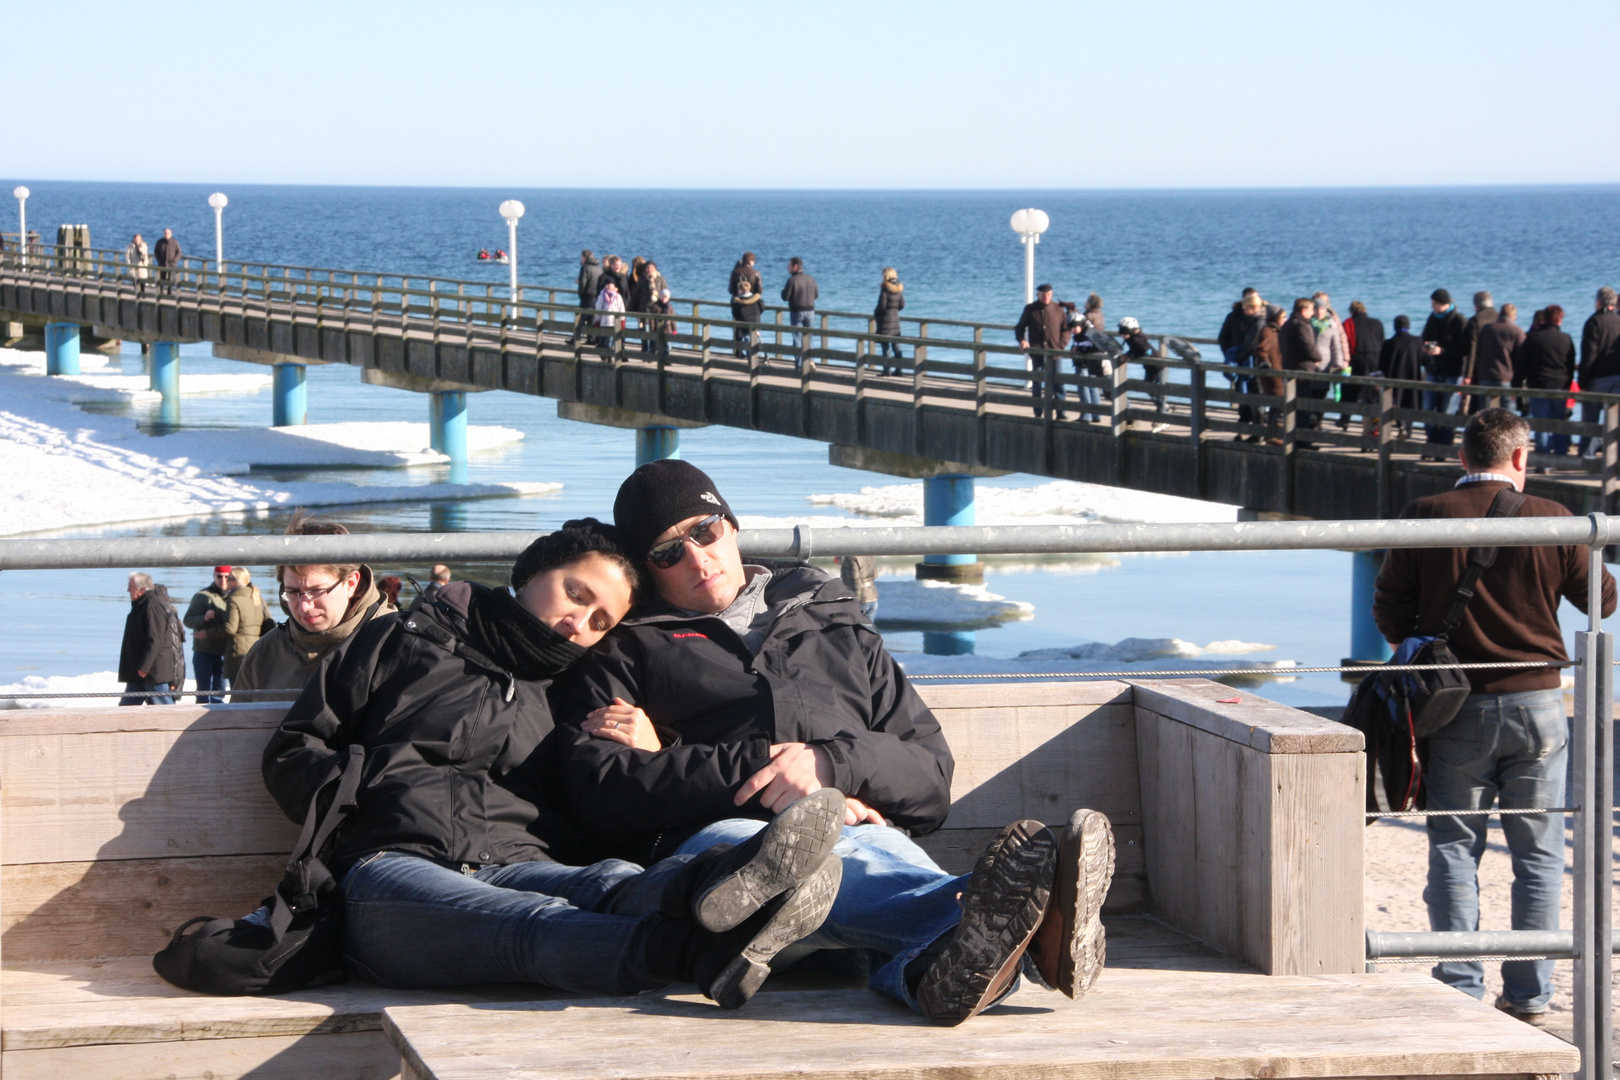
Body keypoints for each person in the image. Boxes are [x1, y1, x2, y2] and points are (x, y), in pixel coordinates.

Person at [556, 460, 1118, 1025]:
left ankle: (945, 964)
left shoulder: (828, 614)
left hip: (862, 832)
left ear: (730, 524)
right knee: (812, 860)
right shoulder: (623, 646)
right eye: (666, 552)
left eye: (704, 531)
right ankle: (1012, 918)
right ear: (649, 570)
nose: (698, 559)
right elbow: (598, 793)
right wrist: (773, 779)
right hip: (720, 855)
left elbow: (929, 782)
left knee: (874, 856)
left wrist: (833, 765)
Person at [261, 520, 841, 1007]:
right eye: (577, 595)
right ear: (536, 570)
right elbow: (295, 748)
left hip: (516, 863)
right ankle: (701, 953)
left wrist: (653, 747)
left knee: (607, 882)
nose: (578, 623)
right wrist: (365, 792)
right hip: (389, 870)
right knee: (530, 920)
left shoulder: (574, 689)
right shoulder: (405, 638)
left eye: (600, 623)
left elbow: (601, 800)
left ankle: (738, 878)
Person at [1373, 408, 1616, 1027]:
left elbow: (1390, 613)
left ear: (1461, 458)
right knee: (1537, 853)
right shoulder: (1552, 519)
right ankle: (1530, 995)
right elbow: (1603, 602)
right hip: (1538, 705)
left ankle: (1459, 988)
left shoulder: (1426, 515)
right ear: (1521, 458)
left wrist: (1430, 639)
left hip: (1455, 706)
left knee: (1454, 846)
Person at [233, 510, 397, 700]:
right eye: (293, 592)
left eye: (317, 591)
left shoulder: (395, 646)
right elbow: (233, 724)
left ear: (350, 584)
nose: (304, 606)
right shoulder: (265, 653)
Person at [1514, 305, 1575, 459]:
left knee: (1541, 424)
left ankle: (1543, 460)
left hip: (1538, 385)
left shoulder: (1533, 338)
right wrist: (1568, 384)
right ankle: (1561, 455)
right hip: (1559, 386)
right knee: (1559, 422)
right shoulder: (1566, 339)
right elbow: (1570, 364)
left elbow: (1521, 364)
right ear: (1559, 319)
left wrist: (1516, 385)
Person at [119, 572, 182, 706]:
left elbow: (155, 639)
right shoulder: (141, 605)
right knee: (126, 708)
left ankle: (176, 726)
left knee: (164, 706)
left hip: (152, 672)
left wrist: (145, 666)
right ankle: (121, 727)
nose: (128, 590)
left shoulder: (152, 606)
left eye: (130, 586)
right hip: (139, 672)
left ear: (141, 589)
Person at [1421, 288, 1470, 457]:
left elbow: (1464, 349)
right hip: (1434, 369)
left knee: (1448, 410)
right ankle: (1431, 444)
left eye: (1435, 303)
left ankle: (1444, 447)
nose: (1432, 307)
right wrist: (1427, 347)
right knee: (1428, 408)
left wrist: (1442, 351)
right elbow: (1424, 337)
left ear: (1444, 304)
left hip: (1453, 371)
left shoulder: (1459, 320)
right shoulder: (1432, 319)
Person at [1015, 284, 1071, 419]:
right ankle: (1038, 412)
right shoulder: (1030, 309)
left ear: (1052, 294)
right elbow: (1019, 327)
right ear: (1038, 295)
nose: (1046, 297)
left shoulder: (1058, 309)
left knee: (1058, 382)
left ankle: (1061, 412)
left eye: (1049, 294)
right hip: (1037, 351)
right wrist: (1022, 340)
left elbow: (1066, 329)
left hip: (1055, 351)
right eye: (1043, 294)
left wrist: (1061, 345)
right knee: (1037, 382)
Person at [1577, 286, 1620, 458]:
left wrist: (1583, 382)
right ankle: (1615, 458)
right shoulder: (1618, 320)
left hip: (1598, 378)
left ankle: (1588, 455)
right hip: (1618, 376)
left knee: (1591, 419)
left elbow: (1589, 355)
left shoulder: (1594, 321)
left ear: (1598, 302)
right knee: (1616, 420)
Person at [1218, 292, 1267, 437]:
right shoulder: (1234, 317)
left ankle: (1257, 432)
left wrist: (1238, 356)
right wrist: (1231, 356)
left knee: (1256, 397)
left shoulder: (1258, 320)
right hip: (1242, 362)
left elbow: (1253, 345)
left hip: (1253, 363)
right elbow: (1223, 338)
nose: (1245, 310)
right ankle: (1245, 431)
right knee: (1245, 397)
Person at [183, 567, 235, 703]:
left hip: (225, 652)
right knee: (203, 692)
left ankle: (218, 719)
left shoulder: (235, 596)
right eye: (219, 576)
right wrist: (203, 618)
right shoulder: (202, 596)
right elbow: (187, 620)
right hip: (204, 651)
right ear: (214, 576)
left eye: (226, 577)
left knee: (220, 691)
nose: (223, 580)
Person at [1279, 298, 1322, 445]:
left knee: (1292, 407)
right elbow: (1308, 346)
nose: (1313, 313)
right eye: (1311, 310)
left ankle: (1293, 439)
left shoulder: (1286, 324)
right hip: (1302, 370)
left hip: (1289, 368)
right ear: (1303, 311)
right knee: (1303, 408)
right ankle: (1302, 441)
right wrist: (1318, 357)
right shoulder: (1301, 325)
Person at [1380, 314, 1428, 443]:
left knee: (1396, 403)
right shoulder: (1417, 341)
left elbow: (1381, 365)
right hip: (1413, 378)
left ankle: (1400, 426)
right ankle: (1409, 431)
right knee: (1410, 404)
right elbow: (1424, 361)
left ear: (1395, 327)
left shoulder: (1388, 343)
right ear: (1408, 326)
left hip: (1394, 378)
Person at [222, 566, 269, 685]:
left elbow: (230, 629)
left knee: (238, 689)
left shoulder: (233, 599)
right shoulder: (257, 597)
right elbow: (268, 620)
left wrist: (208, 633)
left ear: (236, 581)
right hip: (257, 647)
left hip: (238, 650)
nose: (226, 581)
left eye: (228, 578)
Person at [1119, 317, 1166, 430]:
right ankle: (1164, 408)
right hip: (1149, 367)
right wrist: (1128, 354)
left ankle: (1163, 414)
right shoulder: (1133, 339)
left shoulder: (1136, 339)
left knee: (1157, 390)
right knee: (1148, 388)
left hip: (1157, 366)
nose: (1122, 335)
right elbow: (1135, 350)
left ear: (1131, 330)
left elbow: (1146, 352)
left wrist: (1130, 356)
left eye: (1124, 333)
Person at [1473, 304, 1524, 409]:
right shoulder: (1516, 331)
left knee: (1485, 413)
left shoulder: (1487, 328)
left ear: (1499, 314)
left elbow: (1478, 353)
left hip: (1485, 376)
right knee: (1507, 414)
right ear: (1514, 317)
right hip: (1505, 378)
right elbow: (1521, 358)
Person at [1253, 307, 1287, 443]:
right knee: (1279, 404)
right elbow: (1261, 349)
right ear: (1276, 317)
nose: (1285, 319)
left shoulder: (1277, 331)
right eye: (1283, 317)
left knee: (1276, 406)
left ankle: (1271, 434)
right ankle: (1274, 435)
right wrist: (1266, 363)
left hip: (1279, 372)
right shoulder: (1268, 331)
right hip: (1274, 375)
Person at [780, 257, 818, 367]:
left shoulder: (792, 280)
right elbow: (816, 295)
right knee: (809, 336)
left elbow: (785, 297)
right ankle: (810, 360)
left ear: (795, 267)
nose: (788, 268)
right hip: (810, 311)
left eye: (789, 266)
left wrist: (783, 291)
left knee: (797, 337)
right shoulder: (811, 279)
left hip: (797, 311)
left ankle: (800, 364)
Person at [873, 268, 906, 376]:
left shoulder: (885, 288)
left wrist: (876, 313)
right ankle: (899, 370)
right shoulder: (899, 288)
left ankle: (887, 371)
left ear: (885, 275)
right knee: (897, 346)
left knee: (885, 347)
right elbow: (902, 304)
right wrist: (894, 311)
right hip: (895, 322)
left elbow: (881, 306)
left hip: (885, 322)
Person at [571, 250, 603, 344]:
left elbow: (583, 284)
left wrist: (581, 294)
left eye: (581, 258)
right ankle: (591, 338)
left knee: (581, 318)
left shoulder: (585, 268)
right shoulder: (599, 268)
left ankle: (575, 339)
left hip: (587, 297)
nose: (580, 260)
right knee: (591, 318)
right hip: (596, 297)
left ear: (584, 258)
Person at [730, 276, 763, 359]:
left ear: (740, 290)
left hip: (744, 323)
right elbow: (762, 307)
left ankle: (751, 362)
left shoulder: (737, 301)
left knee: (748, 341)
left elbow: (735, 314)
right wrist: (757, 314)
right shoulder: (757, 298)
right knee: (753, 341)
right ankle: (753, 361)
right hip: (756, 322)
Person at [838, 554, 878, 620]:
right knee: (869, 628)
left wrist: (856, 600)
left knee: (855, 627)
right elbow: (875, 574)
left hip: (861, 599)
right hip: (872, 596)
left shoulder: (851, 558)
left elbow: (856, 581)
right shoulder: (870, 554)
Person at [593, 280, 626, 346]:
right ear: (605, 286)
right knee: (603, 340)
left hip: (614, 323)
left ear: (614, 286)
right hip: (604, 322)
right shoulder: (602, 295)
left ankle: (608, 354)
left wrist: (622, 321)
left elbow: (621, 309)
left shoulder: (618, 296)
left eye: (611, 284)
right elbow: (598, 308)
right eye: (608, 284)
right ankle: (603, 354)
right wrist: (597, 319)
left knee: (610, 341)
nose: (610, 286)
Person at [153, 228, 182, 293]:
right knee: (161, 279)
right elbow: (156, 252)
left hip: (172, 264)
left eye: (168, 233)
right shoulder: (160, 242)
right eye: (165, 233)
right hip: (162, 263)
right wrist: (159, 260)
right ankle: (160, 292)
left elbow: (179, 253)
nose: (167, 234)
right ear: (163, 234)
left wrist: (174, 260)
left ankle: (169, 293)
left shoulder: (174, 242)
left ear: (171, 234)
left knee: (171, 279)